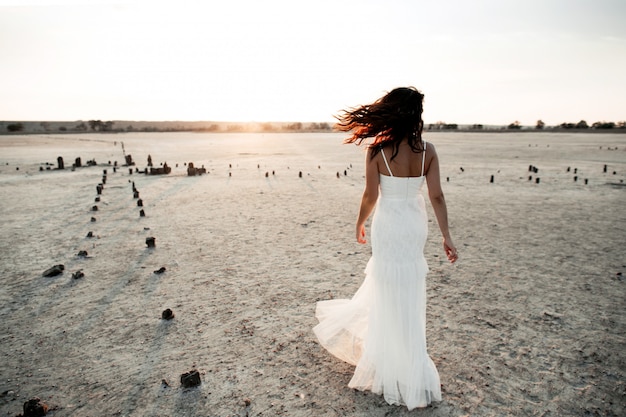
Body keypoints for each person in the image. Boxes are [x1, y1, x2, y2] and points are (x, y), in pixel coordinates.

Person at [313, 87, 458, 410]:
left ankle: (387, 360)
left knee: (387, 289)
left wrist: (359, 222)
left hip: (389, 224)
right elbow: (436, 197)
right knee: (410, 288)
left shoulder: (377, 150)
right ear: (416, 116)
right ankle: (409, 360)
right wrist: (446, 236)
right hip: (413, 225)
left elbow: (370, 196)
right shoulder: (428, 150)